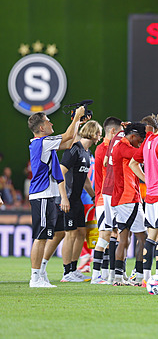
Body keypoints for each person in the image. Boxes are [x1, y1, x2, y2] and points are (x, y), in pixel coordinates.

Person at [27, 106, 85, 287]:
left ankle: (40, 274)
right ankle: (35, 277)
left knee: (46, 235)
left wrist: (77, 123)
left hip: (48, 195)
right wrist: (76, 117)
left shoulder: (44, 143)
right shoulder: (42, 142)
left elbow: (69, 143)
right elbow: (67, 136)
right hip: (42, 194)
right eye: (48, 121)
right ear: (42, 127)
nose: (51, 123)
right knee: (40, 236)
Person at [128, 109, 158, 285]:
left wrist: (148, 180)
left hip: (150, 195)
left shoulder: (148, 141)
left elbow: (133, 163)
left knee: (150, 236)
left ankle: (146, 278)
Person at [55, 120, 101, 283]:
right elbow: (59, 173)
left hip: (77, 200)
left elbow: (86, 180)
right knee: (71, 234)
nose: (100, 137)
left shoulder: (87, 153)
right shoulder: (73, 150)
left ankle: (74, 270)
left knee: (81, 233)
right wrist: (64, 198)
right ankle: (66, 273)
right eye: (99, 134)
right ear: (94, 134)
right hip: (67, 200)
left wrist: (94, 196)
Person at [111, 122, 148, 287]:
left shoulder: (119, 144)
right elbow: (144, 153)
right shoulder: (124, 148)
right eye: (140, 139)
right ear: (132, 135)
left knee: (124, 238)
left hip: (120, 198)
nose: (141, 142)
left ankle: (119, 276)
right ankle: (139, 275)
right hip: (128, 198)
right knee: (143, 237)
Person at [90, 116, 123, 284]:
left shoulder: (107, 148)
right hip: (104, 199)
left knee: (113, 235)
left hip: (111, 198)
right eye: (119, 133)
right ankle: (96, 275)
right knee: (104, 235)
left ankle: (106, 274)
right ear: (112, 131)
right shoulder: (104, 149)